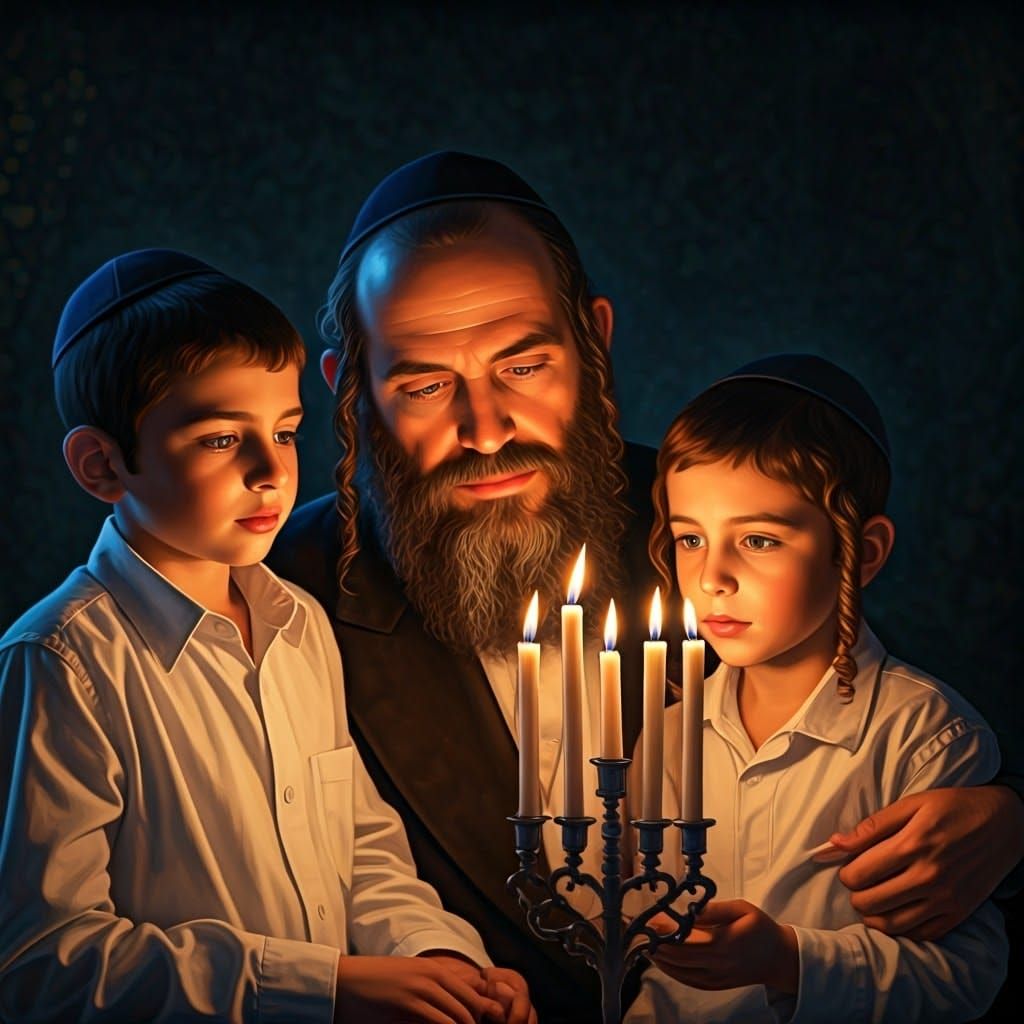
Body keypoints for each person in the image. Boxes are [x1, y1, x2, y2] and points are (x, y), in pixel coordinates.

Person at [268, 151, 1024, 1021]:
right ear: (350, 392)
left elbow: (890, 732)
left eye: (523, 366)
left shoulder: (709, 521)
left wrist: (1009, 822)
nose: (485, 431)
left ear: (593, 340)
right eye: (427, 384)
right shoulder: (284, 591)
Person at [0, 249, 534, 1024]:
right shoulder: (63, 663)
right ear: (101, 464)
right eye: (220, 440)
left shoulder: (299, 624)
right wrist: (322, 986)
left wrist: (439, 961)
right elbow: (40, 962)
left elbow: (362, 851)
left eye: (284, 433)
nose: (271, 472)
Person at [625, 355, 1007, 1022]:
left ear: (860, 552)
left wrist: (788, 961)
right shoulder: (666, 734)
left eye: (760, 540)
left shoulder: (922, 737)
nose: (713, 576)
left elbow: (961, 977)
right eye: (690, 538)